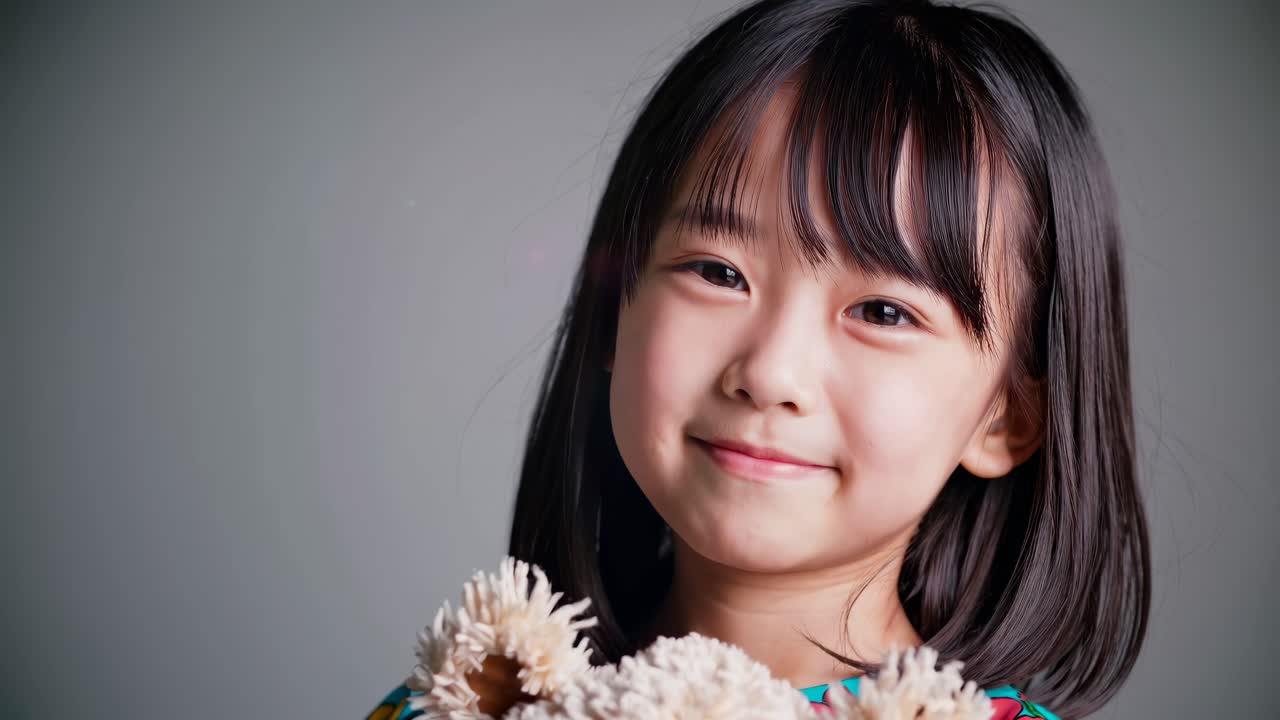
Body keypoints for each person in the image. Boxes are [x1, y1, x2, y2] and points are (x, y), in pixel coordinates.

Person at [367, 0, 1151, 717]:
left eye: (883, 311)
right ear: (615, 309)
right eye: (718, 271)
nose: (770, 373)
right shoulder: (462, 700)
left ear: (1007, 416)